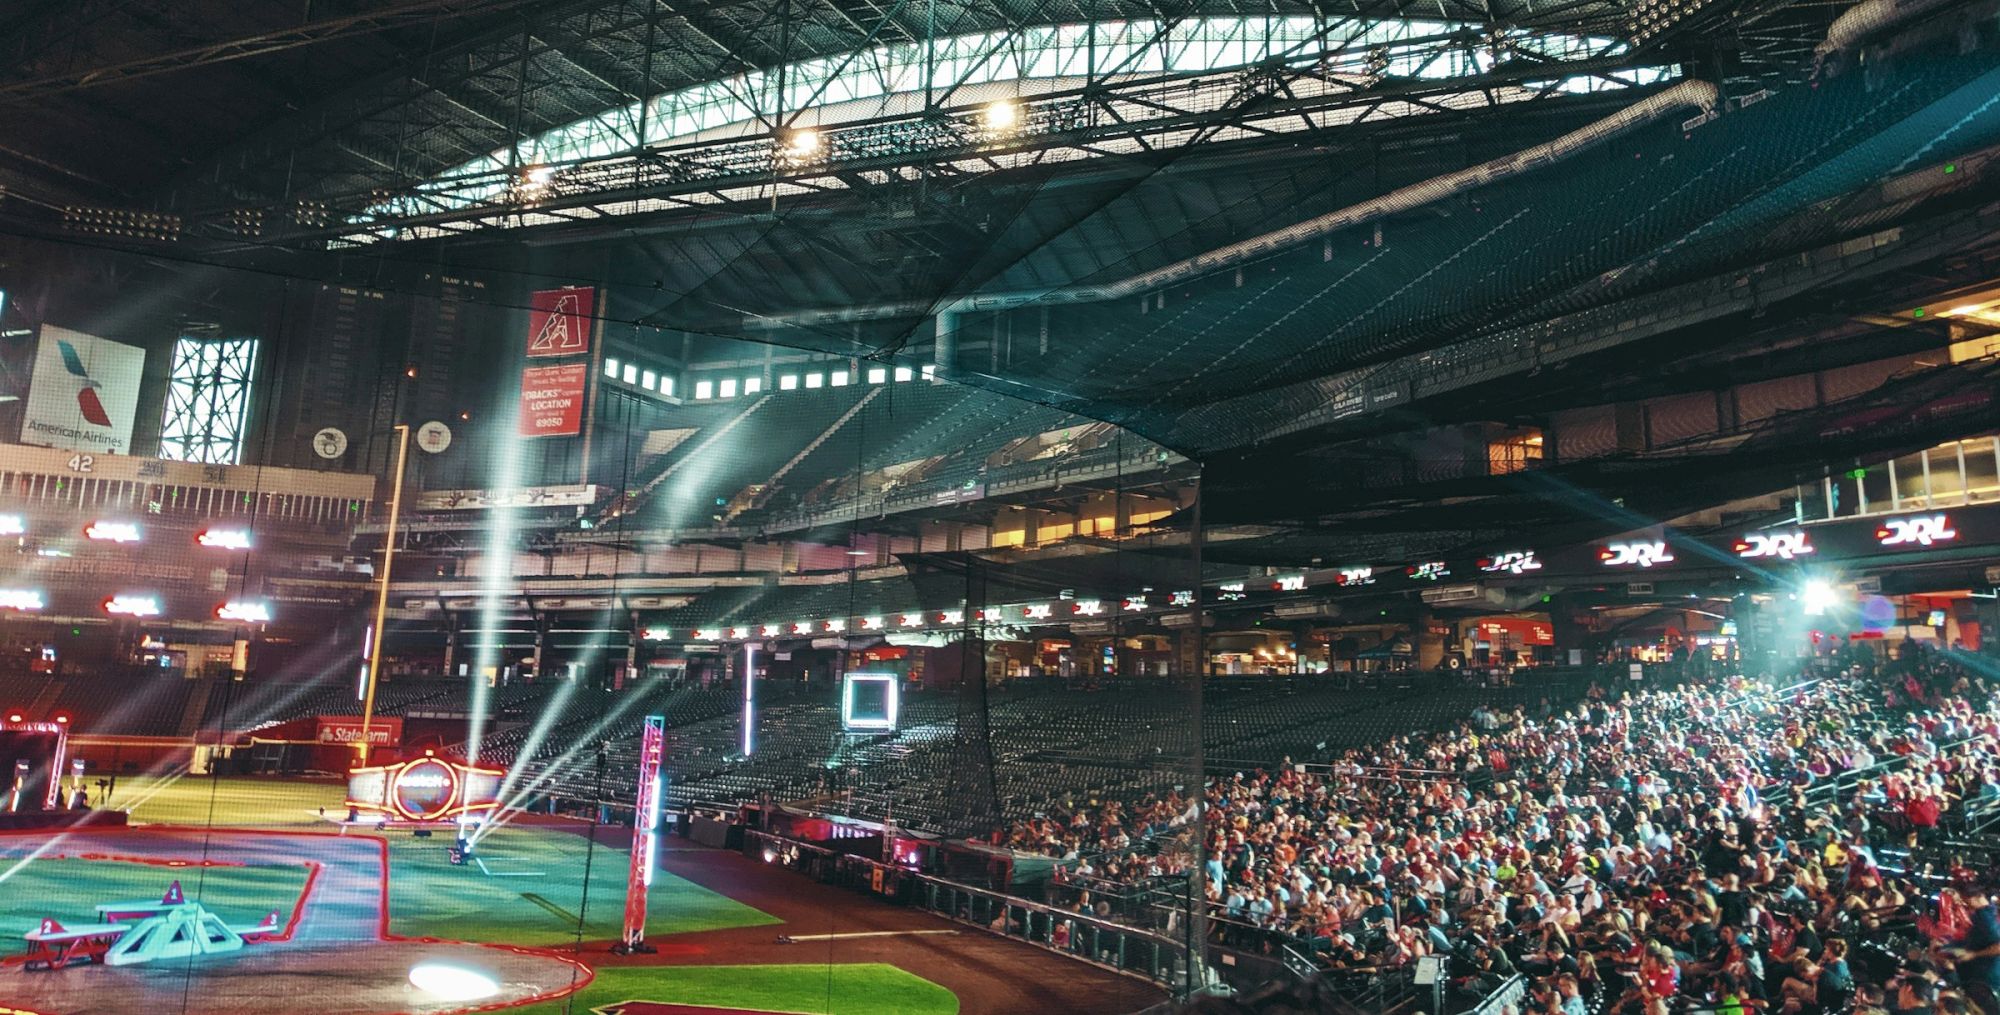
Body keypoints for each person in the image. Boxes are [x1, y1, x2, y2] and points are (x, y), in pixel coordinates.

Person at [1947, 884, 2000, 1015]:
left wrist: (1973, 954)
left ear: (1976, 897)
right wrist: (1950, 945)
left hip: (1985, 979)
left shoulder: (1986, 919)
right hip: (1980, 975)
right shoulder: (1983, 914)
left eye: (1965, 899)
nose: (1961, 902)